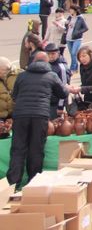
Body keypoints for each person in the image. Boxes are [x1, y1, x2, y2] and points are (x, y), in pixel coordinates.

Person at [5, 52, 67, 189]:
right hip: (40, 115)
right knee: (36, 149)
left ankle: (12, 184)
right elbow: (63, 93)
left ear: (33, 61)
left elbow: (14, 96)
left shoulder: (22, 76)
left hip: (21, 115)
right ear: (47, 63)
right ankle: (33, 183)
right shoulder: (51, 75)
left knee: (18, 149)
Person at [45, 44, 69, 116]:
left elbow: (64, 88)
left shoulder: (62, 68)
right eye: (48, 54)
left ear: (58, 54)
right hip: (46, 101)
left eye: (53, 54)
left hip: (55, 103)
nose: (50, 56)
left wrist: (60, 106)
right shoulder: (46, 65)